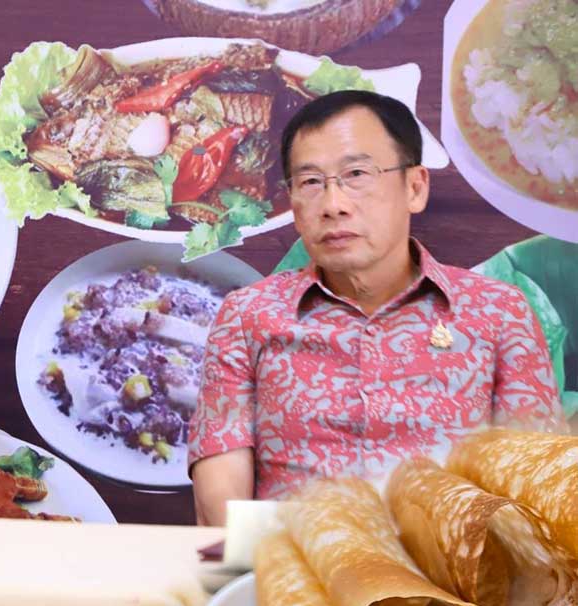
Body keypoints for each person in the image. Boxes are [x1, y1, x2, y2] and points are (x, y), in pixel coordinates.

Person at [189, 90, 563, 526]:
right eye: (310, 183)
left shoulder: (498, 312)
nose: (333, 205)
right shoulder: (248, 315)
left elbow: (537, 486)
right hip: (289, 560)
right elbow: (221, 500)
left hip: (453, 564)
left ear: (415, 187)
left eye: (357, 174)